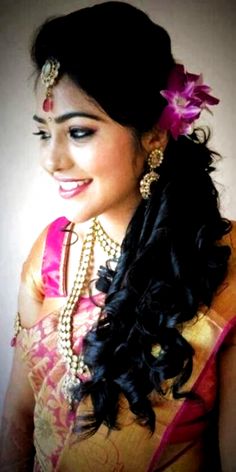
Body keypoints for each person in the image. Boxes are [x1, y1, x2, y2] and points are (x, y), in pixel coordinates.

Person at [0, 2, 235, 471]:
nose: (51, 160)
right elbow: (17, 422)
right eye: (44, 133)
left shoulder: (225, 269)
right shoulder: (50, 253)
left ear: (152, 134)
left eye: (79, 132)